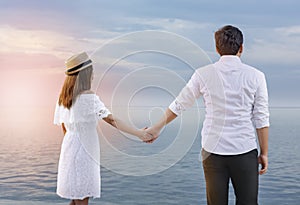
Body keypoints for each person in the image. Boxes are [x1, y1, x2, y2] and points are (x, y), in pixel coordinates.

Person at [145, 25, 269, 205]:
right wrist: (264, 153)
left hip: (212, 151)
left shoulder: (202, 74)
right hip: (244, 150)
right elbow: (261, 117)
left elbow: (180, 104)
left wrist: (156, 128)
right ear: (241, 48)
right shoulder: (256, 76)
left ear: (217, 48)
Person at [54, 52, 152, 205]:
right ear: (86, 74)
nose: (93, 76)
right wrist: (139, 133)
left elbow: (64, 127)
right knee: (82, 197)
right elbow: (112, 120)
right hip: (84, 152)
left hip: (69, 149)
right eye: (91, 72)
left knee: (76, 198)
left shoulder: (63, 98)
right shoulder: (88, 97)